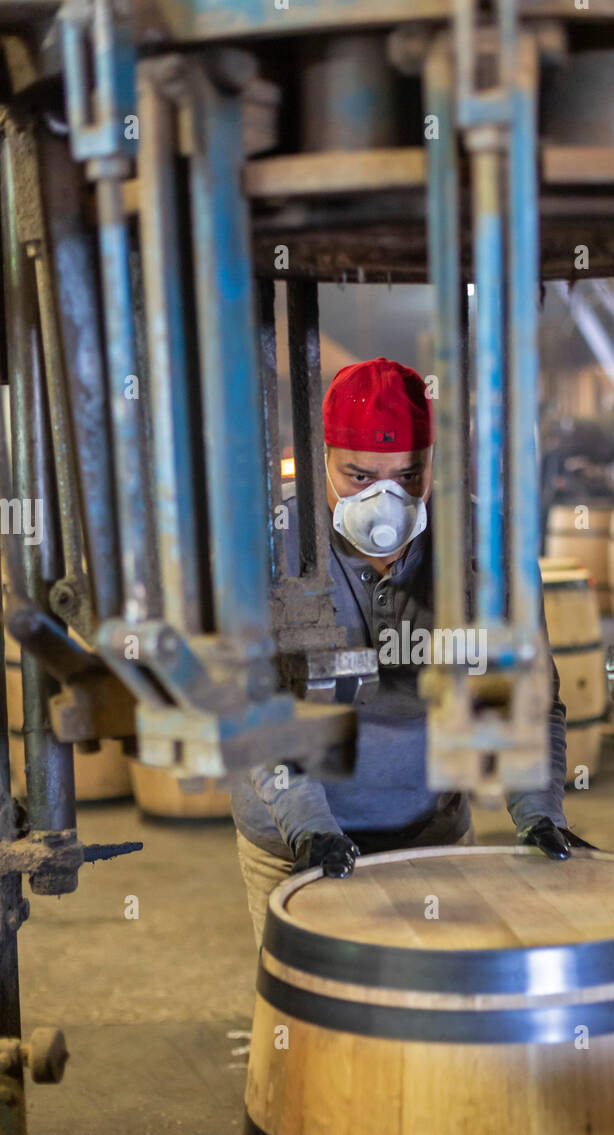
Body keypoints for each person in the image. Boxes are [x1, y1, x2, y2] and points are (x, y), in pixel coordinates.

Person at [232, 357, 589, 944]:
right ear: (322, 458)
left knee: (439, 1011)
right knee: (318, 1020)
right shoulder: (271, 547)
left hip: (432, 833)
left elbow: (528, 700)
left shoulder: (482, 550)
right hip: (290, 837)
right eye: (358, 477)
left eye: (407, 477)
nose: (384, 501)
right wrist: (311, 831)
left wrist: (538, 813)